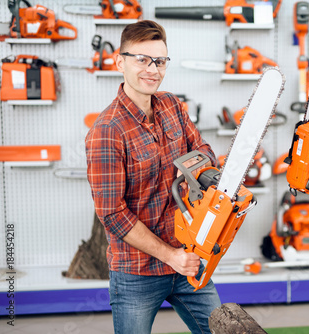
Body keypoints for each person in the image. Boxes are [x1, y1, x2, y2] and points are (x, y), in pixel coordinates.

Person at [85, 20, 221, 334]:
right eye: (142, 59)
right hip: (137, 272)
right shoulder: (107, 131)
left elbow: (202, 149)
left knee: (221, 329)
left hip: (189, 258)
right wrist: (169, 256)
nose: (152, 69)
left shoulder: (172, 105)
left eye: (159, 61)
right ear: (120, 62)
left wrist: (201, 175)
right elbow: (112, 215)